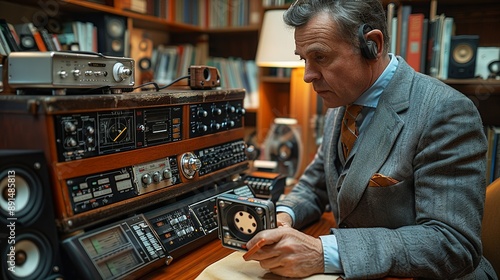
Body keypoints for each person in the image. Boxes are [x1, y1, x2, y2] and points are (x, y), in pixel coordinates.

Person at [244, 0, 498, 279]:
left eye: (321, 57)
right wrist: (283, 216)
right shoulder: (341, 103)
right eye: (304, 59)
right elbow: (314, 185)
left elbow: (453, 244)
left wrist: (324, 252)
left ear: (372, 45)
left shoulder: (446, 111)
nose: (308, 76)